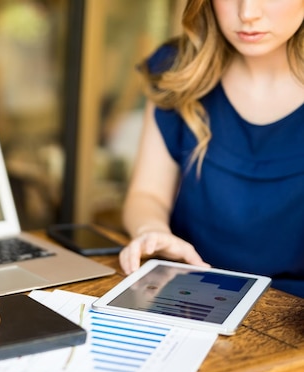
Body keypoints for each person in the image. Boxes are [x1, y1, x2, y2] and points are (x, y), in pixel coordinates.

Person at [119, 0, 304, 300]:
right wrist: (152, 231)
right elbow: (146, 194)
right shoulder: (178, 69)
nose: (247, 13)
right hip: (190, 296)